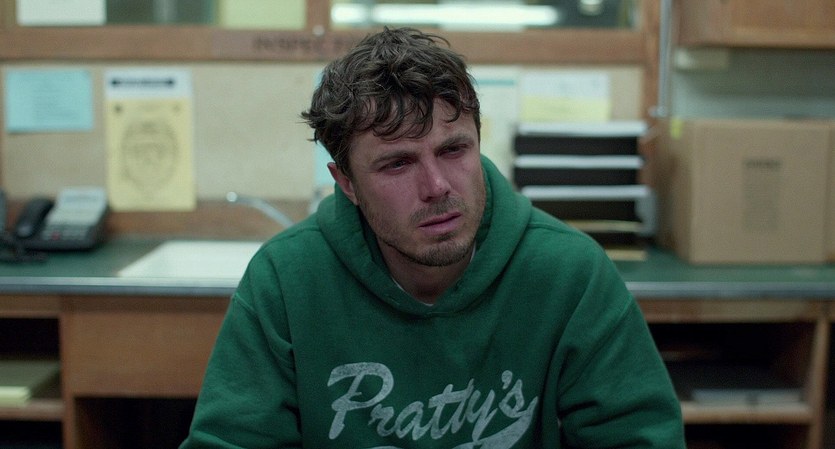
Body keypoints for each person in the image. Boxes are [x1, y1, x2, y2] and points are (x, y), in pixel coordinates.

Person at [180, 27, 685, 449]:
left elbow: (639, 438)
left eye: (453, 150)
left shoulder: (570, 275)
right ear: (347, 183)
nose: (437, 186)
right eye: (398, 163)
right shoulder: (286, 281)